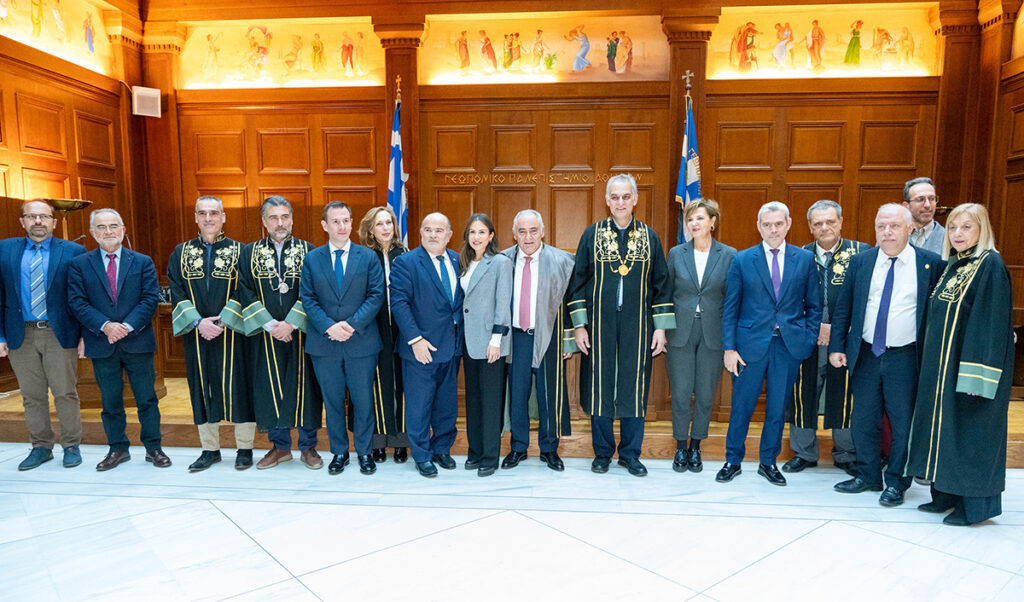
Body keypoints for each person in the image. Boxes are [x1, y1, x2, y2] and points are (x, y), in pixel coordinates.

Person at [905, 204, 1014, 525]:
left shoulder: (990, 264)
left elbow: (991, 324)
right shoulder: (955, 264)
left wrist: (977, 377)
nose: (957, 234)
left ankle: (973, 507)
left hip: (970, 372)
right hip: (942, 372)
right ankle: (946, 494)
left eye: (966, 227)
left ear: (982, 229)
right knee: (946, 433)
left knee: (971, 435)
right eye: (952, 228)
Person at [828, 204, 943, 506]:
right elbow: (843, 307)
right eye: (881, 226)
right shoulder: (862, 261)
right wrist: (837, 346)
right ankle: (867, 475)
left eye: (894, 226)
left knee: (902, 421)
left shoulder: (930, 264)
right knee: (863, 419)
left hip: (906, 356)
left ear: (909, 228)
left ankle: (896, 482)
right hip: (866, 353)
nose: (887, 232)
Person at [568, 174, 675, 477]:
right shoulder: (592, 235)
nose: (620, 202)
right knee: (600, 385)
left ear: (635, 199)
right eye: (615, 197)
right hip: (599, 323)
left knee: (634, 386)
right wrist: (579, 326)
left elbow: (662, 285)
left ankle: (630, 454)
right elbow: (577, 282)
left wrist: (660, 328)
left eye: (626, 196)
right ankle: (602, 452)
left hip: (638, 324)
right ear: (607, 200)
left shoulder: (650, 237)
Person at [717, 201, 821, 486]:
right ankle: (732, 460)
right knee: (741, 406)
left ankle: (768, 462)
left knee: (777, 408)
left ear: (788, 224)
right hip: (749, 346)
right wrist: (729, 348)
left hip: (788, 346)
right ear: (759, 227)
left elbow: (814, 305)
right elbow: (731, 308)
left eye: (778, 224)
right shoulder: (742, 259)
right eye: (767, 225)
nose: (773, 230)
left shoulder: (804, 259)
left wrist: (808, 338)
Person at [220, 196, 323, 471]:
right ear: (264, 221)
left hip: (300, 333)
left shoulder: (310, 251)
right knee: (269, 389)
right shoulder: (248, 252)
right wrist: (269, 324)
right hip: (264, 335)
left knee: (305, 389)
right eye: (274, 217)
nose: (280, 223)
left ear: (292, 219)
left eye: (285, 216)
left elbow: (314, 290)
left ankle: (308, 446)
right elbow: (244, 290)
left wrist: (291, 323)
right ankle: (280, 447)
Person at [67, 208, 168, 470]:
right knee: (110, 402)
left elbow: (150, 299)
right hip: (102, 343)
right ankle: (118, 449)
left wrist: (125, 326)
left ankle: (154, 448)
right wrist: (106, 326)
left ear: (123, 230)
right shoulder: (80, 264)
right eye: (101, 227)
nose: (108, 231)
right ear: (93, 233)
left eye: (113, 226)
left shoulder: (142, 261)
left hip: (138, 341)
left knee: (147, 399)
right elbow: (77, 302)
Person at [168, 196, 255, 472]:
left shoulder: (241, 251)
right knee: (201, 389)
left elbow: (246, 289)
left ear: (223, 217)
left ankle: (245, 448)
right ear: (195, 217)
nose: (208, 218)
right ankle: (210, 449)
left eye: (214, 213)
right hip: (196, 335)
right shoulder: (180, 252)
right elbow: (176, 291)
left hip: (233, 334)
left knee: (240, 387)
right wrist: (198, 322)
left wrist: (223, 320)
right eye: (203, 213)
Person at [783, 201, 869, 476]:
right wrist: (815, 327)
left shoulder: (861, 253)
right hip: (807, 339)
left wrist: (839, 329)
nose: (824, 227)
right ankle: (804, 453)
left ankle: (846, 453)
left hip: (847, 340)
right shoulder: (799, 255)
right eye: (818, 223)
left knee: (845, 394)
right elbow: (788, 300)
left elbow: (868, 299)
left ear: (841, 222)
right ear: (810, 227)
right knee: (802, 392)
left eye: (830, 221)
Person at [299, 202, 385, 475]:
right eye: (336, 221)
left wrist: (351, 324)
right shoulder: (312, 259)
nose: (342, 226)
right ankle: (339, 452)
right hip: (325, 344)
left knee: (363, 400)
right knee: (332, 401)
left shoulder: (367, 257)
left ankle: (365, 452)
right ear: (325, 225)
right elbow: (308, 299)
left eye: (346, 220)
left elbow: (376, 295)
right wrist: (329, 327)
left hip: (361, 342)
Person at [0, 200, 86, 471]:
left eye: (44, 216)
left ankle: (71, 445)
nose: (38, 221)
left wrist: (85, 335)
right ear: (22, 221)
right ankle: (41, 447)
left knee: (65, 392)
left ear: (54, 222)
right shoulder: (4, 249)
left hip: (59, 333)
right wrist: (0, 336)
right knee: (31, 395)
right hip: (20, 334)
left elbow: (81, 297)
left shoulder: (74, 251)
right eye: (32, 216)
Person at [389, 213, 465, 478]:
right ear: (420, 232)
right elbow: (399, 303)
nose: (433, 234)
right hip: (420, 348)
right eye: (428, 229)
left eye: (439, 230)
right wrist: (415, 340)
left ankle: (442, 448)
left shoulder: (458, 260)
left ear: (449, 234)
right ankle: (421, 455)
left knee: (446, 404)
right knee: (419, 405)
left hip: (452, 346)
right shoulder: (406, 262)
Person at [501, 210, 575, 472]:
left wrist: (568, 341)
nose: (528, 237)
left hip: (550, 336)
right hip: (516, 337)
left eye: (533, 230)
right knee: (517, 394)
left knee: (549, 395)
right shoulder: (502, 260)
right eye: (522, 231)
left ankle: (549, 449)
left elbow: (569, 304)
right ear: (514, 234)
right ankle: (518, 447)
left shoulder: (563, 261)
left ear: (542, 231)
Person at [666, 199, 736, 474]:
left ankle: (696, 446)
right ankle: (680, 446)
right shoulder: (676, 253)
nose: (694, 224)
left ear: (713, 221)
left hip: (713, 333)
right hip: (680, 331)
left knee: (705, 394)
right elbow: (666, 293)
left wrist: (732, 339)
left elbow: (732, 299)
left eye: (700, 218)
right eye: (690, 219)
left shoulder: (729, 255)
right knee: (681, 393)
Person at [457, 214, 512, 477]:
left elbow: (503, 302)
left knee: (491, 402)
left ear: (491, 236)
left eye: (481, 232)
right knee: (474, 401)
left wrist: (496, 340)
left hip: (491, 343)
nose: (476, 237)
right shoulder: (464, 262)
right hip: (469, 342)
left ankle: (490, 456)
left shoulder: (500, 262)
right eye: (472, 232)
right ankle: (475, 451)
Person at [357, 206, 410, 463]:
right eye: (379, 224)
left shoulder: (406, 255)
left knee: (402, 384)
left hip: (401, 330)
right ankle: (377, 441)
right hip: (372, 329)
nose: (386, 228)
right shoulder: (362, 257)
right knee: (374, 385)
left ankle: (401, 441)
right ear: (370, 229)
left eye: (389, 222)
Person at [903, 176, 945, 254]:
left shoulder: (948, 238)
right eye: (920, 199)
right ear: (906, 206)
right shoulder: (894, 235)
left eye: (932, 199)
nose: (927, 205)